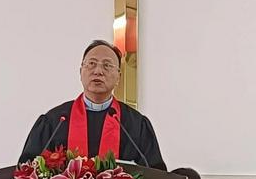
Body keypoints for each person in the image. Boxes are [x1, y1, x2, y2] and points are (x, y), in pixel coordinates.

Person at [19, 39, 166, 168]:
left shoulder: (136, 124)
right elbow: (26, 172)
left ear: (118, 77)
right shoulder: (55, 121)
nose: (98, 71)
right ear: (80, 71)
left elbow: (156, 176)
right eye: (91, 64)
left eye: (107, 65)